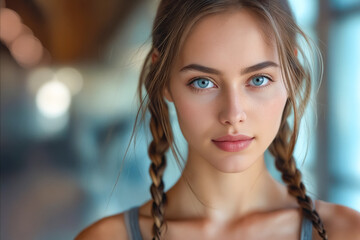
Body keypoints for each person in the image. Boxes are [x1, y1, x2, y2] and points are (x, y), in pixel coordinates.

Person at [76, 0, 360, 239]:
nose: (233, 114)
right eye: (202, 82)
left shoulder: (346, 232)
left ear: (291, 75)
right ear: (163, 80)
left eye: (258, 80)